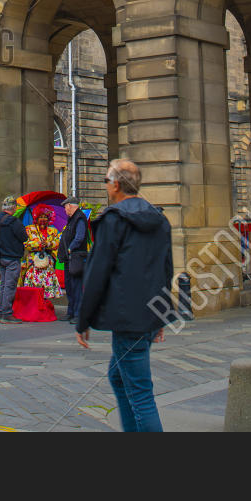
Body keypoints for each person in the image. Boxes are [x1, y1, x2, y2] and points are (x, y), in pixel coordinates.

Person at [74, 159, 174, 433]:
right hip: (148, 314)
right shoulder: (159, 219)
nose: (106, 186)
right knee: (118, 377)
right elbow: (167, 270)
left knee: (140, 392)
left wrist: (83, 320)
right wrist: (161, 316)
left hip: (127, 317)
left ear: (116, 185)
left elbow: (97, 273)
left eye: (106, 181)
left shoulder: (113, 219)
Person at [22, 207, 63, 310]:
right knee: (34, 285)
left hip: (47, 263)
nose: (43, 219)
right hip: (33, 263)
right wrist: (38, 244)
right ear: (36, 218)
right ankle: (33, 305)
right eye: (41, 217)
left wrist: (48, 244)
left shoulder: (53, 230)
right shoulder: (29, 229)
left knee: (46, 284)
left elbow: (57, 243)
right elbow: (25, 243)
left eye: (45, 217)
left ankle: (44, 304)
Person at [0, 198, 27, 323]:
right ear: (13, 208)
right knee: (10, 285)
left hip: (2, 256)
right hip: (12, 257)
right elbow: (24, 237)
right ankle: (7, 313)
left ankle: (1, 312)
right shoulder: (14, 221)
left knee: (3, 284)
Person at [60, 201, 91, 323]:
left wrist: (70, 248)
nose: (64, 210)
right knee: (69, 286)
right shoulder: (72, 219)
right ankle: (71, 312)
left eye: (65, 208)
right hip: (69, 258)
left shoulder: (80, 219)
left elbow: (79, 237)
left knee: (76, 285)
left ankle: (78, 314)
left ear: (70, 206)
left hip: (76, 257)